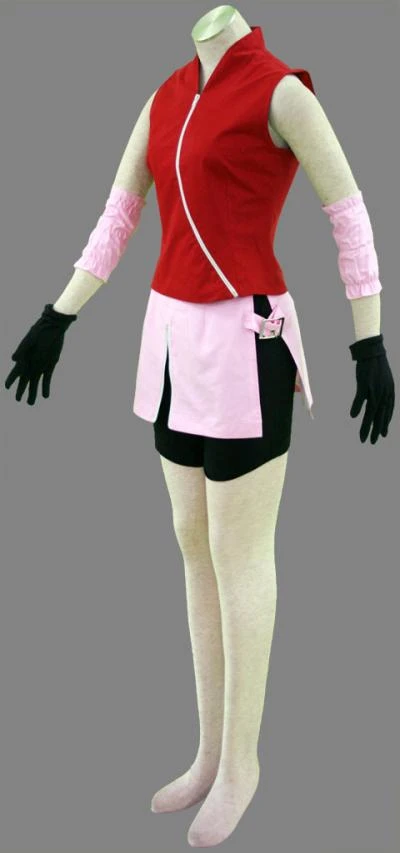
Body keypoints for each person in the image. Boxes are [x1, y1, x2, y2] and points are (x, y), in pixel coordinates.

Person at [4, 5, 395, 847]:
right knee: (191, 542)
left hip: (248, 344)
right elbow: (119, 214)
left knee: (240, 551)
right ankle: (209, 748)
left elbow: (349, 212)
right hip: (172, 342)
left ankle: (245, 762)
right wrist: (59, 314)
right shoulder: (165, 96)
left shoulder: (282, 92)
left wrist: (368, 340)